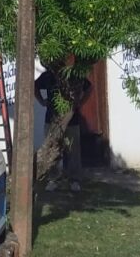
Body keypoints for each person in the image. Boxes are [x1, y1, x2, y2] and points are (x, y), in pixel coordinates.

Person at [34, 65, 91, 193]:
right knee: (52, 149)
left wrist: (80, 103)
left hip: (71, 120)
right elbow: (34, 86)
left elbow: (88, 88)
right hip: (52, 119)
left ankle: (74, 179)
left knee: (73, 150)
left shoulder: (73, 74)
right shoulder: (48, 75)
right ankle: (53, 179)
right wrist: (41, 101)